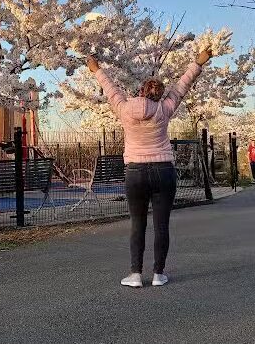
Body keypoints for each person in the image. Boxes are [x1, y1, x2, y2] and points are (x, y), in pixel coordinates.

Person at [87, 47, 213, 288]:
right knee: (161, 225)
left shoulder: (124, 109)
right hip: (163, 170)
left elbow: (111, 89)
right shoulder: (164, 109)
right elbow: (182, 86)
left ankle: (135, 274)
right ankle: (158, 274)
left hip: (135, 171)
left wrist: (96, 69)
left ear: (140, 91)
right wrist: (198, 62)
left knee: (138, 224)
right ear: (158, 94)